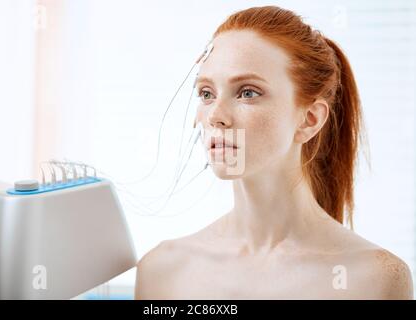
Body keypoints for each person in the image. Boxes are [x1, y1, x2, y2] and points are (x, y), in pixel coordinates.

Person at [135, 6, 413, 299]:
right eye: (206, 93)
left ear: (310, 119)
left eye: (248, 92)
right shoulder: (162, 273)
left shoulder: (374, 280)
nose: (216, 116)